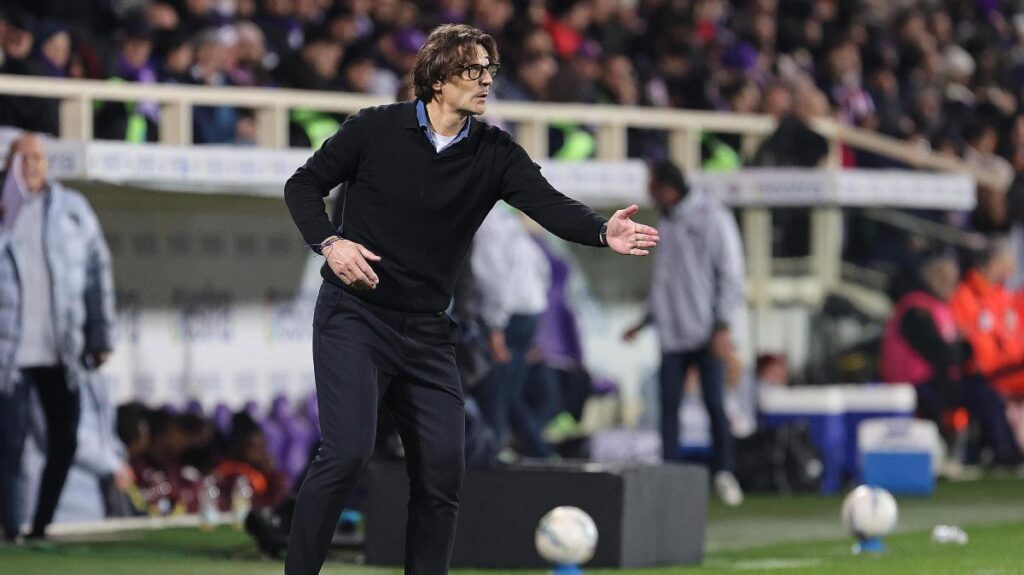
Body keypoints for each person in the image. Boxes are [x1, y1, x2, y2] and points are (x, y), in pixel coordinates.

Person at [282, 23, 659, 575]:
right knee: (346, 453)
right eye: (472, 70)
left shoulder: (494, 151)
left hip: (428, 331)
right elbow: (301, 186)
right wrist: (330, 243)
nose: (486, 80)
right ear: (437, 78)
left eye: (489, 70)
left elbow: (549, 204)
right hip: (355, 317)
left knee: (442, 471)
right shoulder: (373, 129)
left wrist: (603, 230)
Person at [0, 133, 116, 541]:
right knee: (10, 446)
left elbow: (97, 271)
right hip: (8, 354)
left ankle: (40, 526)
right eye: (22, 157)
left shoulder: (73, 210)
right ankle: (11, 528)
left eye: (38, 157)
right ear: (8, 164)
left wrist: (100, 334)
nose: (31, 164)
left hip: (59, 349)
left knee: (64, 440)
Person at [623, 159, 745, 506]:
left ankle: (725, 473)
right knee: (669, 408)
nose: (649, 194)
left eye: (652, 186)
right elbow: (665, 281)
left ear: (668, 187)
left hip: (706, 331)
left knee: (714, 403)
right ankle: (670, 477)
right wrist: (645, 321)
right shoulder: (667, 220)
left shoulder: (712, 217)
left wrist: (722, 326)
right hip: (672, 333)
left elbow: (730, 274)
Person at [880, 249, 1022, 465]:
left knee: (983, 391)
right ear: (931, 276)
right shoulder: (916, 309)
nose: (949, 283)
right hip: (915, 383)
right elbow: (938, 352)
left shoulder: (938, 306)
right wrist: (962, 347)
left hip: (937, 379)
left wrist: (962, 348)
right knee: (978, 393)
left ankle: (1003, 451)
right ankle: (999, 454)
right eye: (943, 276)